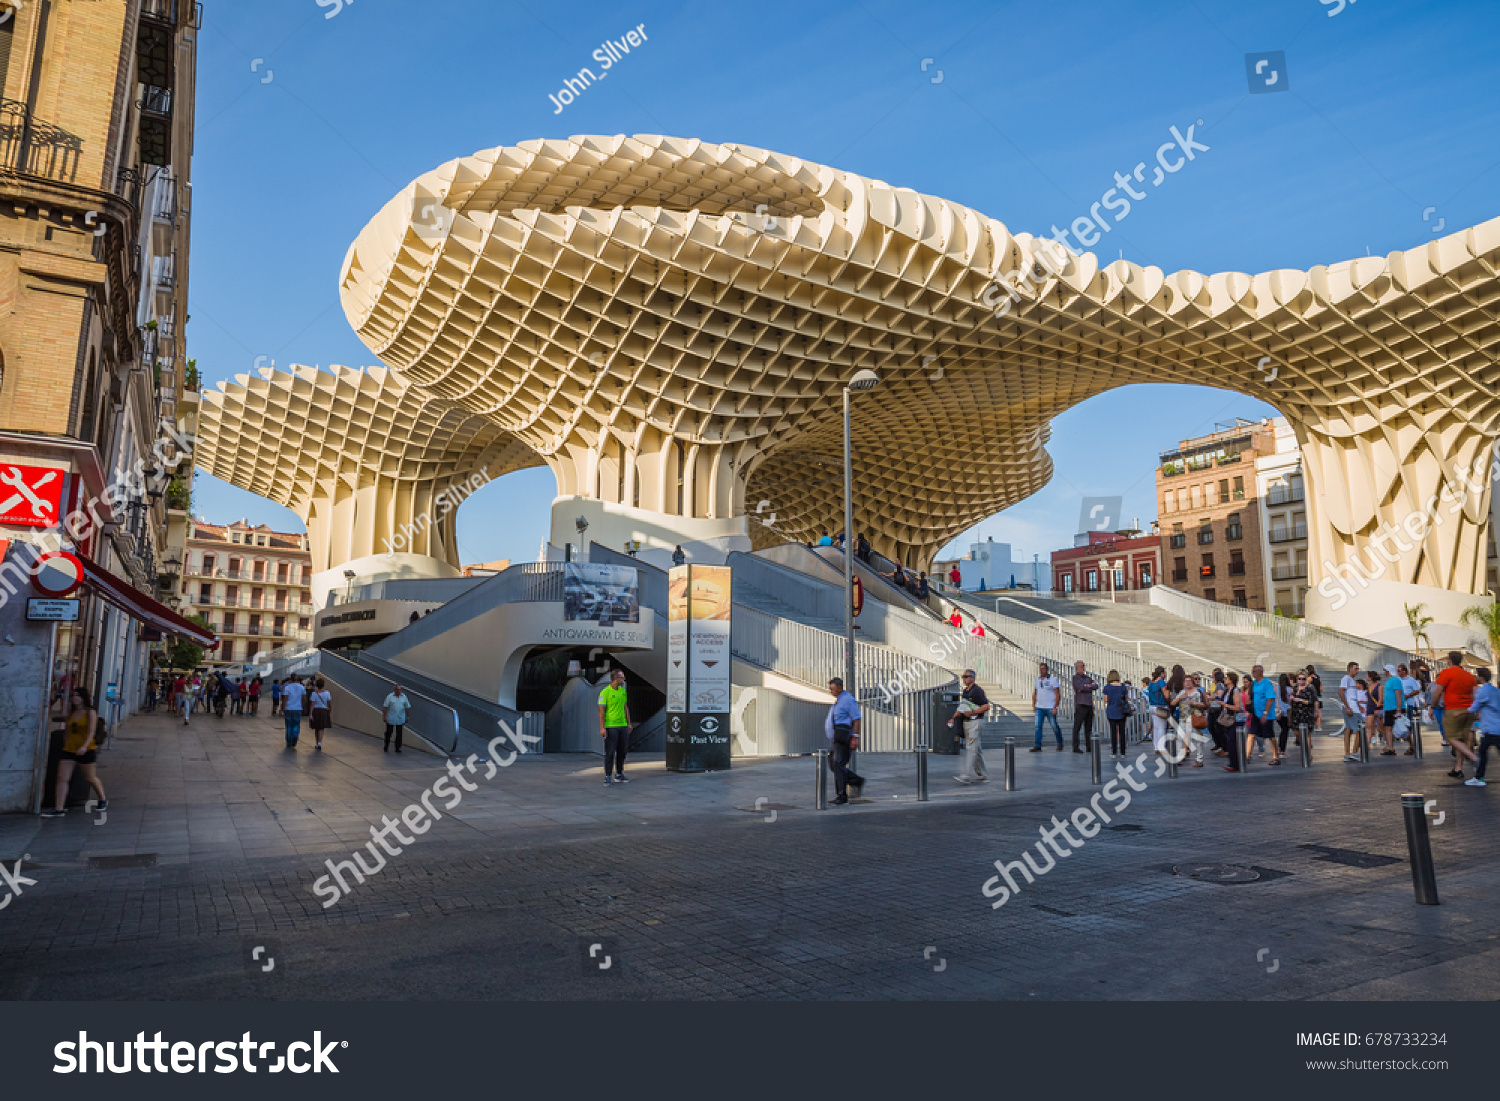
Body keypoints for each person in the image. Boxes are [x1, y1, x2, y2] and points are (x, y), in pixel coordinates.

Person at [42, 686, 108, 818]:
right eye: (73, 696)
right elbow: (67, 730)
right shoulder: (71, 713)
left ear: (83, 698)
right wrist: (66, 743)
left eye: (77, 696)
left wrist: (84, 746)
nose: (75, 698)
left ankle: (102, 798)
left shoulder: (90, 713)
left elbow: (91, 731)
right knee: (62, 777)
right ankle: (59, 807)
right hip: (69, 749)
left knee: (90, 777)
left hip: (86, 749)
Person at [1434, 651, 1479, 778]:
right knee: (1460, 740)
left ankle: (1473, 757)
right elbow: (1475, 695)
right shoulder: (1469, 676)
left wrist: (1432, 706)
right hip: (1468, 710)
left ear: (1449, 661)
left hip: (1453, 710)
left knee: (1450, 737)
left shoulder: (1446, 673)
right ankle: (1458, 768)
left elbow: (1438, 691)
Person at [825, 676, 864, 805]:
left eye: (833, 689)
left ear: (840, 687)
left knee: (838, 764)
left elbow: (856, 718)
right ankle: (856, 780)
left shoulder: (848, 700)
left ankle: (841, 795)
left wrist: (855, 737)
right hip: (836, 736)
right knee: (833, 763)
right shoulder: (838, 700)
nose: (831, 691)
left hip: (844, 735)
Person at [951, 669, 991, 784]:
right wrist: (954, 718)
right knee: (976, 750)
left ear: (972, 678)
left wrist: (973, 712)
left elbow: (986, 706)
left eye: (967, 676)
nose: (964, 679)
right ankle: (983, 774)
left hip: (975, 721)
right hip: (967, 721)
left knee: (971, 748)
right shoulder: (965, 691)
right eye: (963, 677)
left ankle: (965, 775)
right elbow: (963, 706)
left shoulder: (977, 691)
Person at [597, 668, 633, 784]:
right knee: (610, 752)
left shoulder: (623, 691)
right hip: (611, 726)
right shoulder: (605, 692)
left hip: (622, 725)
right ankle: (608, 775)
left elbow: (625, 707)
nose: (624, 679)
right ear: (616, 678)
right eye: (622, 677)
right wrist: (602, 727)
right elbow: (601, 711)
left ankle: (619, 773)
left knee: (622, 751)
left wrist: (628, 723)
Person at [1466, 667, 1500, 786]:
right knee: (1483, 750)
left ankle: (1479, 778)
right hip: (1496, 726)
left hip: (1490, 728)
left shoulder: (1483, 691)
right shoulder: (1496, 690)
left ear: (1480, 677)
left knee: (1483, 751)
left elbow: (1475, 707)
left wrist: (1461, 712)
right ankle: (1479, 777)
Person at [1171, 672, 1208, 766]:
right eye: (1185, 681)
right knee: (1180, 737)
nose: (1187, 683)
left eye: (1189, 681)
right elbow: (1172, 703)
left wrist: (1194, 703)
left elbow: (1205, 705)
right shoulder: (1182, 692)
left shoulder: (1198, 692)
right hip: (1183, 718)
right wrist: (1179, 698)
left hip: (1195, 717)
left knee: (1197, 738)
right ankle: (1179, 757)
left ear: (1192, 682)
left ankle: (1199, 759)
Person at [1030, 662, 1063, 751]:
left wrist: (1055, 706)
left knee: (1054, 725)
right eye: (1040, 669)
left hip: (1050, 707)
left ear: (1047, 669)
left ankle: (1060, 743)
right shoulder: (1037, 680)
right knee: (1038, 726)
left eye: (1043, 668)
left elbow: (1057, 694)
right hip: (1039, 707)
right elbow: (1035, 692)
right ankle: (1037, 745)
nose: (1041, 670)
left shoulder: (1053, 680)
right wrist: (1034, 704)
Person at [1071, 660, 1099, 753]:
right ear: (1077, 668)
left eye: (1084, 666)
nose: (1083, 668)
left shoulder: (1088, 678)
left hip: (1089, 705)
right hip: (1081, 705)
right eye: (1081, 666)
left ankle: (1089, 746)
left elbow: (1096, 686)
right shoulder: (1075, 678)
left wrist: (1087, 686)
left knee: (1088, 727)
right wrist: (1089, 686)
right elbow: (1079, 687)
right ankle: (1076, 747)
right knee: (1077, 727)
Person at [1221, 671, 1246, 771]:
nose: (1224, 680)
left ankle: (1235, 764)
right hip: (1228, 719)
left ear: (1231, 680)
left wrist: (1224, 705)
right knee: (1230, 740)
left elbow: (1237, 707)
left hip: (1236, 719)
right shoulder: (1227, 690)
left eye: (1226, 678)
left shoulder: (1235, 691)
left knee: (1233, 741)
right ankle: (1233, 762)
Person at [1102, 671, 1131, 758]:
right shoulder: (1123, 686)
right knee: (1122, 731)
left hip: (1111, 710)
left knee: (1113, 731)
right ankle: (1123, 752)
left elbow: (1106, 700)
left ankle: (1114, 752)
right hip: (1122, 710)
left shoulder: (1107, 687)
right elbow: (1126, 698)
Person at [1288, 671, 1321, 750]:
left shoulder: (1310, 687)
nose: (1301, 680)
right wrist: (1291, 699)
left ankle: (1308, 753)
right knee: (1295, 730)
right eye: (1300, 679)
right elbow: (1290, 697)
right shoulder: (1295, 687)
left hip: (1306, 712)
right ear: (1297, 679)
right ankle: (1303, 745)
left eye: (1303, 679)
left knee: (1307, 734)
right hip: (1296, 713)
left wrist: (1316, 711)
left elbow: (1314, 700)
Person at [1379, 663, 1404, 755]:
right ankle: (1390, 747)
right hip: (1388, 707)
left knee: (1394, 727)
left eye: (1385, 670)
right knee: (1388, 727)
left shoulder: (1395, 680)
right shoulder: (1390, 680)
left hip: (1393, 707)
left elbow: (1398, 694)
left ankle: (1392, 747)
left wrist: (1398, 708)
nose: (1384, 672)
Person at [1146, 666, 1171, 755]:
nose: (1165, 674)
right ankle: (1161, 747)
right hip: (1161, 706)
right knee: (1161, 727)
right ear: (1161, 673)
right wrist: (1169, 702)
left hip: (1152, 706)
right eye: (1164, 673)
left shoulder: (1151, 683)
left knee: (1156, 728)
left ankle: (1156, 746)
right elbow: (1166, 695)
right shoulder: (1161, 682)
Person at [380, 682, 407, 754]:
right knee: (389, 732)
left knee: (399, 733)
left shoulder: (404, 697)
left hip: (400, 718)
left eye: (400, 690)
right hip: (391, 718)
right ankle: (386, 745)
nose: (399, 691)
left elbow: (407, 707)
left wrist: (407, 716)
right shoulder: (390, 696)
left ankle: (397, 747)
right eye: (397, 689)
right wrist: (384, 716)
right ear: (394, 690)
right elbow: (385, 707)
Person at [281, 676, 307, 749]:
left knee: (288, 725)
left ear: (290, 680)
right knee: (296, 724)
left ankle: (289, 742)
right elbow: (304, 698)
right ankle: (295, 735)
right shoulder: (301, 687)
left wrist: (282, 709)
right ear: (296, 679)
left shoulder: (287, 687)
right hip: (298, 708)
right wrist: (303, 707)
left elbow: (285, 699)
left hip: (288, 708)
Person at [308, 678, 332, 751]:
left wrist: (311, 714)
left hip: (316, 711)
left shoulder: (314, 693)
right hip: (324, 711)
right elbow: (329, 702)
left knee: (316, 727)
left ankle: (316, 742)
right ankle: (319, 742)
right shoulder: (327, 693)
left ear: (316, 685)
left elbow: (312, 704)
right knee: (321, 728)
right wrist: (329, 709)